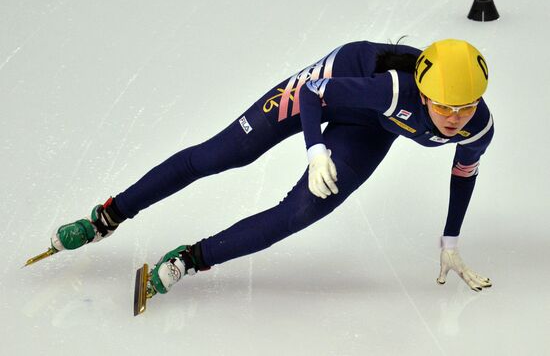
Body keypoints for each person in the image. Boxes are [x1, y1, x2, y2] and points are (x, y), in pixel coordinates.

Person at [49, 38, 494, 301]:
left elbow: (463, 174)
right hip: (328, 86)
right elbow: (313, 94)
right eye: (442, 106)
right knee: (220, 155)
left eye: (464, 107)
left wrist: (450, 240)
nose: (453, 118)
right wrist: (315, 148)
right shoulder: (394, 91)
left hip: (371, 126)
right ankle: (108, 215)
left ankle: (192, 258)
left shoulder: (477, 128)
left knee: (303, 210)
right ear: (423, 91)